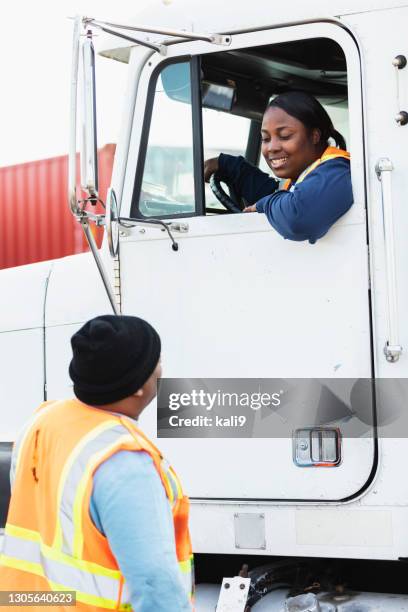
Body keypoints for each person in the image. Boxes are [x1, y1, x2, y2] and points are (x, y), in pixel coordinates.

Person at [0, 315, 193, 612]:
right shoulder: (124, 460)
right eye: (156, 361)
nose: (161, 368)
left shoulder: (42, 421)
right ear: (138, 386)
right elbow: (155, 584)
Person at [204, 91, 352, 244]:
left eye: (285, 136)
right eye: (265, 138)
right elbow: (273, 193)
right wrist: (230, 166)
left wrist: (265, 204)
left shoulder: (338, 171)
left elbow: (298, 218)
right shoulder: (303, 177)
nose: (272, 148)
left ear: (314, 136)